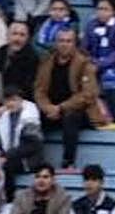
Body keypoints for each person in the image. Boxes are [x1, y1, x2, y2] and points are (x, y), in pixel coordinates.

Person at [36, 26, 101, 169]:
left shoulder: (85, 63)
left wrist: (61, 107)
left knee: (71, 116)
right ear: (55, 43)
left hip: (79, 111)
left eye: (68, 41)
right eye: (61, 41)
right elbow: (39, 90)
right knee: (31, 117)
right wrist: (47, 107)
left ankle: (68, 162)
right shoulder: (46, 62)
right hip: (52, 110)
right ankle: (35, 161)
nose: (64, 44)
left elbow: (88, 95)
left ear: (75, 43)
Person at [0, 85, 43, 204]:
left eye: (14, 100)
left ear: (21, 100)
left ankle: (9, 201)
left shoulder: (30, 118)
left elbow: (32, 145)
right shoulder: (4, 117)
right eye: (7, 100)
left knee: (6, 166)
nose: (11, 104)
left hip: (29, 159)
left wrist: (6, 156)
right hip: (10, 156)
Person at [83, 0, 115, 123]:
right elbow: (84, 49)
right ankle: (95, 117)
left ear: (113, 12)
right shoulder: (91, 25)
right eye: (99, 9)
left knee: (110, 81)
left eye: (105, 9)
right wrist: (90, 61)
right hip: (93, 64)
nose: (101, 12)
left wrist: (101, 64)